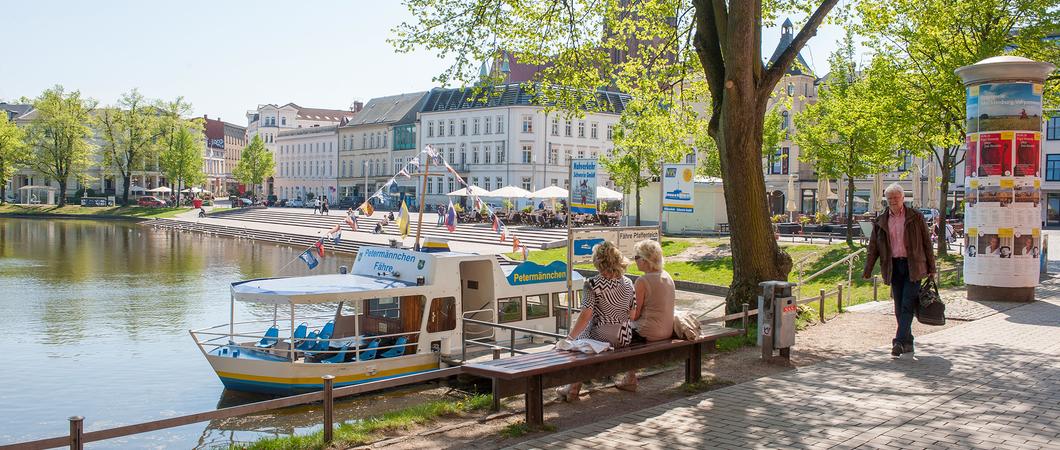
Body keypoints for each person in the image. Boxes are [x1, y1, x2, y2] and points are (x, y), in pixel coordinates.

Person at [863, 183, 936, 357]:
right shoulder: (881, 220)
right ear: (886, 201)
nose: (893, 201)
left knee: (907, 304)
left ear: (903, 198)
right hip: (893, 266)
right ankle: (908, 341)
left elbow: (927, 242)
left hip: (914, 265)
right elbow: (873, 247)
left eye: (896, 198)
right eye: (890, 199)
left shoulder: (915, 217)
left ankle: (898, 341)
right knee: (898, 306)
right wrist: (868, 270)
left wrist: (932, 267)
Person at [556, 241, 636, 402]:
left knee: (578, 342)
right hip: (624, 337)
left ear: (598, 262)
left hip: (601, 337)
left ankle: (573, 387)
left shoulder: (592, 284)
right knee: (584, 338)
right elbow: (632, 315)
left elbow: (586, 314)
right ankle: (632, 378)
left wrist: (569, 338)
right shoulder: (628, 283)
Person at [619, 240, 676, 391]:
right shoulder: (667, 276)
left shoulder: (642, 281)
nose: (634, 260)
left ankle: (628, 377)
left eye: (636, 257)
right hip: (667, 330)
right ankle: (629, 376)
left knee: (612, 333)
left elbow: (635, 315)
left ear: (645, 260)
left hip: (649, 332)